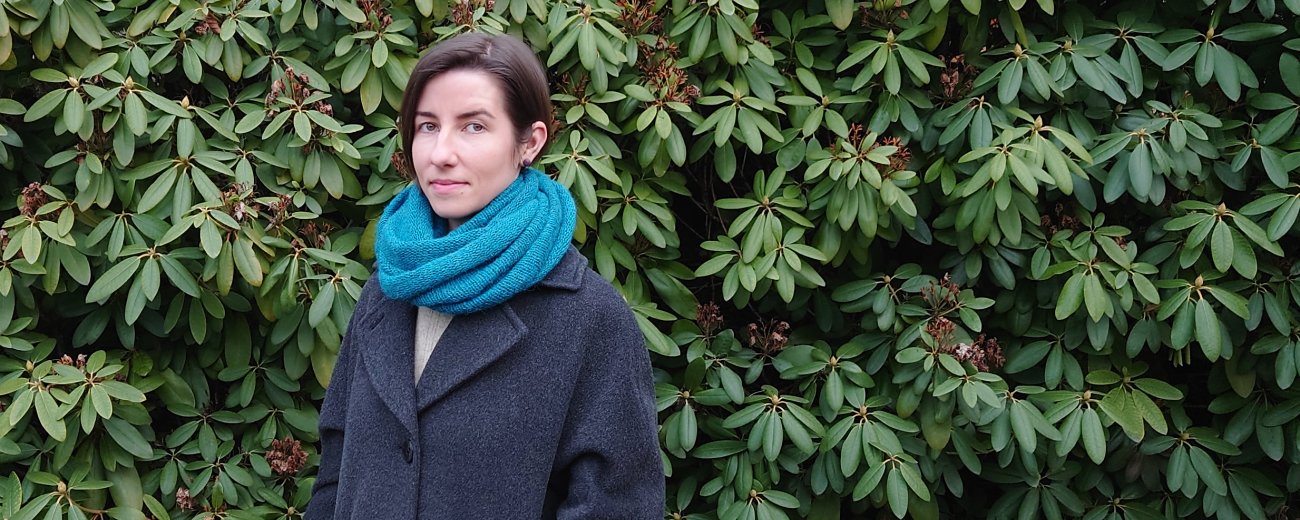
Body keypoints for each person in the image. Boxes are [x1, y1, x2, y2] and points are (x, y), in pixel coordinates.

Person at [305, 32, 664, 518]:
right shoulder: (388, 289)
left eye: (473, 126)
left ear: (529, 142)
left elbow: (616, 506)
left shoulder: (589, 318)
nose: (441, 153)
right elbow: (336, 472)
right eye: (427, 126)